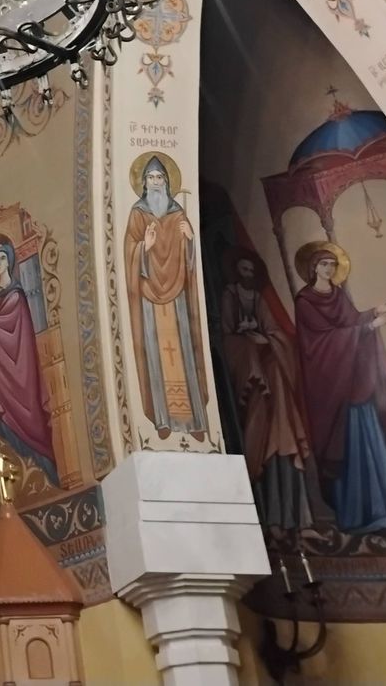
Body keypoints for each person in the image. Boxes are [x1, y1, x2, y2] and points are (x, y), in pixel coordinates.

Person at [291, 242, 386, 533]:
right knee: (348, 448)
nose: (329, 269)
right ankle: (356, 515)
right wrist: (369, 327)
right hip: (333, 387)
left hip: (356, 379)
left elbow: (351, 321)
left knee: (372, 442)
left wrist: (374, 312)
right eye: (324, 264)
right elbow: (320, 342)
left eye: (332, 264)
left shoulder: (338, 294)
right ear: (313, 268)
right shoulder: (305, 302)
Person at [217, 252, 310, 531]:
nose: (247, 274)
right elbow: (227, 332)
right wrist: (248, 339)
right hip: (247, 367)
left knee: (276, 374)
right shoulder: (229, 295)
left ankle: (294, 518)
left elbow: (274, 331)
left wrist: (266, 339)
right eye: (243, 269)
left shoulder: (258, 298)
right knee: (255, 365)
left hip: (268, 365)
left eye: (250, 270)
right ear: (237, 271)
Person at [121, 157, 209, 435]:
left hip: (178, 294)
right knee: (155, 353)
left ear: (167, 182)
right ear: (144, 183)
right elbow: (129, 249)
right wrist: (143, 248)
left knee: (184, 352)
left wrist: (190, 239)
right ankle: (162, 419)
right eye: (151, 178)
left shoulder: (177, 212)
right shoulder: (138, 213)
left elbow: (191, 261)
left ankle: (194, 421)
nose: (156, 182)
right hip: (149, 294)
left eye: (160, 178)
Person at [0, 241, 58, 483]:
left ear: (10, 261)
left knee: (32, 421)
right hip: (3, 374)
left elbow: (11, 329)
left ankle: (47, 474)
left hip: (23, 372)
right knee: (7, 430)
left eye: (2, 258)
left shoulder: (16, 294)